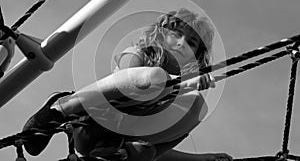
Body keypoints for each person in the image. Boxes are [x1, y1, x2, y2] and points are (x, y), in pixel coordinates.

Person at [22, 8, 233, 161]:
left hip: (115, 141)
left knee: (197, 105)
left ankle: (123, 154)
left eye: (191, 42)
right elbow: (128, 78)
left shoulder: (178, 93)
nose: (181, 43)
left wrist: (201, 159)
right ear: (161, 34)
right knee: (156, 77)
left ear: (196, 55)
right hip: (91, 123)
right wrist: (180, 84)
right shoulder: (141, 55)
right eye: (176, 34)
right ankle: (60, 107)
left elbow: (161, 142)